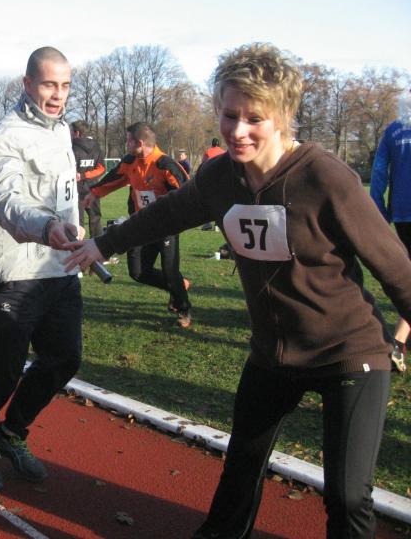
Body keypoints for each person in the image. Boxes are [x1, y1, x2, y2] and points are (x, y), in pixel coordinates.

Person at [64, 42, 411, 539]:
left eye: (255, 119)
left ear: (283, 118)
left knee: (348, 496)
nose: (238, 131)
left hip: (348, 353)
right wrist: (102, 243)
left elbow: (397, 269)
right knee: (241, 470)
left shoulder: (325, 177)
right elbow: (167, 214)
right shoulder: (219, 176)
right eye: (230, 116)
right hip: (274, 353)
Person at [0, 46, 82, 492]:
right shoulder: (6, 136)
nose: (58, 95)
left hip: (60, 266)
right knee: (6, 370)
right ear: (27, 84)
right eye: (49, 85)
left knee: (65, 359)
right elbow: (9, 201)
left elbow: (61, 195)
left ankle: (10, 433)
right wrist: (46, 227)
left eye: (65, 86)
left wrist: (75, 234)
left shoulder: (61, 130)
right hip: (15, 269)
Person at [84, 122, 192, 327]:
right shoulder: (130, 161)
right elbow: (114, 178)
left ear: (140, 143)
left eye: (128, 141)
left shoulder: (165, 165)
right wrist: (94, 193)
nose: (126, 144)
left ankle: (184, 309)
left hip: (166, 227)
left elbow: (188, 192)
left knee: (170, 270)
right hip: (140, 226)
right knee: (138, 272)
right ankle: (179, 285)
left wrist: (177, 217)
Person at [370, 87, 411, 373]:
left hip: (402, 211)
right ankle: (397, 342)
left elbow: (378, 172)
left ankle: (399, 341)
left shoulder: (394, 131)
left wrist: (378, 209)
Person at [71, 120, 105, 239]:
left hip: (76, 190)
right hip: (93, 189)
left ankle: (77, 247)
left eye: (71, 132)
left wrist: (81, 175)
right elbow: (101, 169)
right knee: (95, 220)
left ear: (77, 133)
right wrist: (86, 175)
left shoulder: (71, 147)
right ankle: (98, 247)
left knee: (77, 222)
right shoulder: (96, 147)